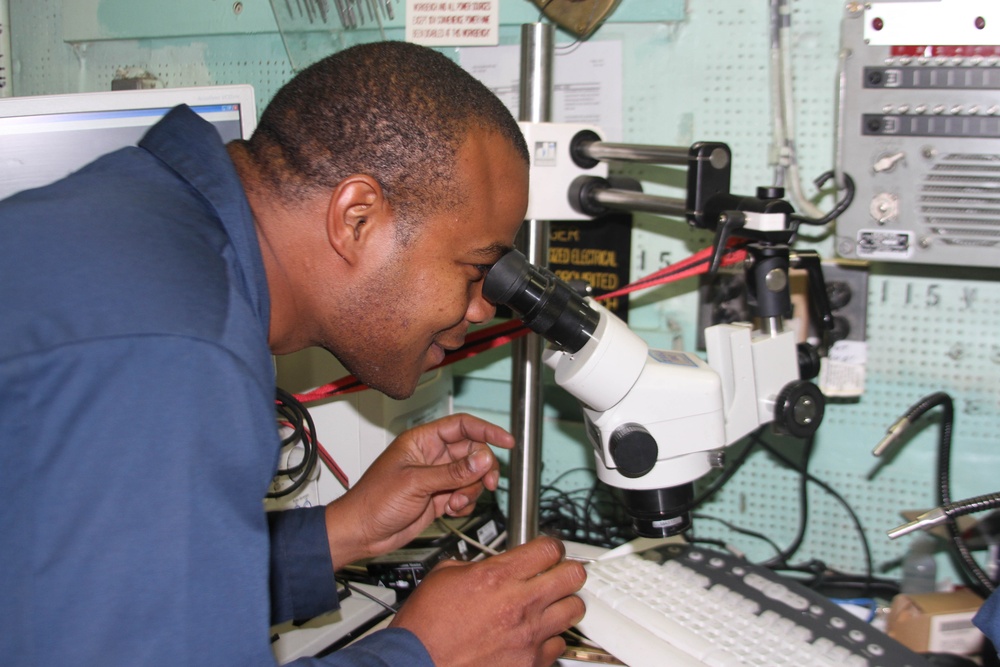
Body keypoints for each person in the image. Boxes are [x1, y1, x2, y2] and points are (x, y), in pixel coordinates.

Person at [0, 41, 586, 666]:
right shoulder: (175, 354)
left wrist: (341, 533)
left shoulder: (148, 231)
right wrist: (427, 655)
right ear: (356, 218)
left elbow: (115, 591)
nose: (479, 310)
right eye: (475, 269)